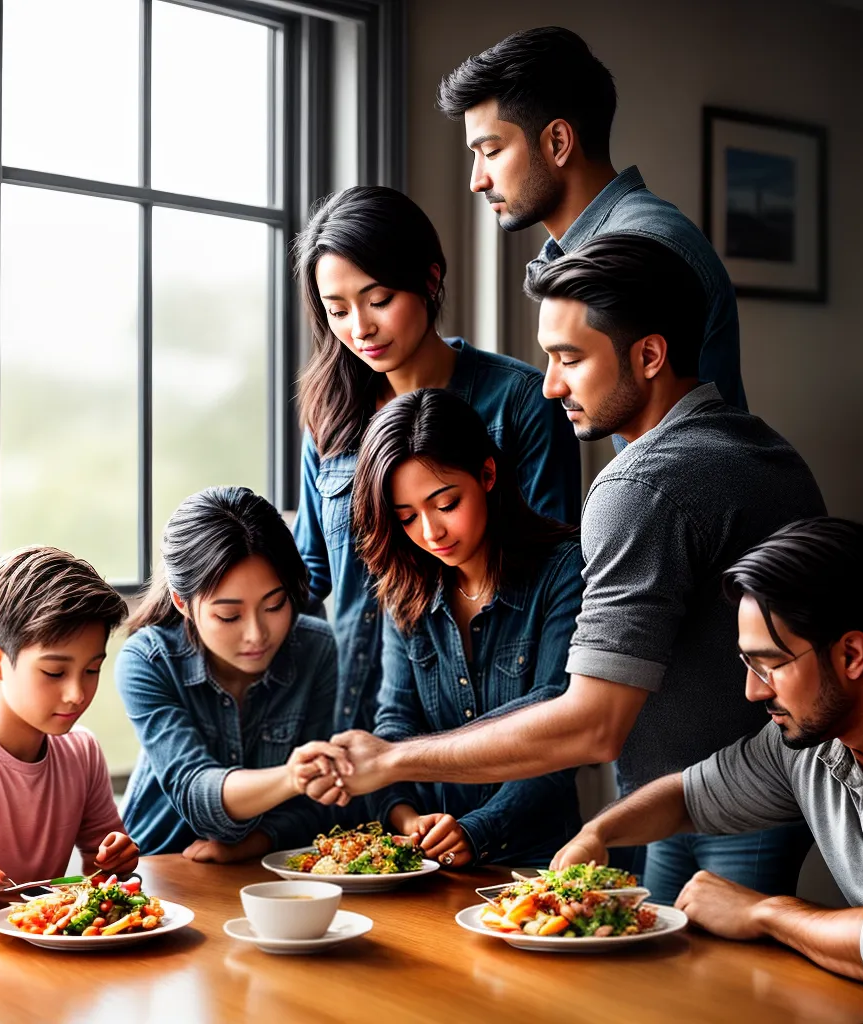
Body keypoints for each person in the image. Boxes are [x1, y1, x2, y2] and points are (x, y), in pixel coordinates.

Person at [306, 234, 825, 904]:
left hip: (738, 799)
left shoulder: (638, 486)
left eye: (569, 358)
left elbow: (587, 719)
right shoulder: (760, 444)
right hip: (687, 797)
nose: (550, 386)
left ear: (649, 354)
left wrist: (392, 760)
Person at [552, 518, 863, 1016]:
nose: (754, 690)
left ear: (851, 654)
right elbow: (687, 798)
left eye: (770, 664)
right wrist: (599, 833)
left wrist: (766, 911)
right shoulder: (803, 746)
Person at [292, 185, 581, 736]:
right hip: (355, 722)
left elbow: (553, 572)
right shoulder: (331, 419)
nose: (360, 328)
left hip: (489, 716)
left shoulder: (520, 401)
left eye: (378, 300)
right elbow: (311, 576)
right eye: (337, 310)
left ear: (429, 279)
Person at [437, 25, 746, 412]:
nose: (477, 181)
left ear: (558, 142)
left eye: (492, 151)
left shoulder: (646, 246)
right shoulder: (584, 251)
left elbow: (679, 445)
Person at [353, 388, 583, 867]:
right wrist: (406, 818)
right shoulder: (404, 588)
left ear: (487, 474)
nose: (430, 532)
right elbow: (395, 722)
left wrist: (477, 830)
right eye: (407, 517)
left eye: (446, 503)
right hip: (428, 863)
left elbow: (560, 730)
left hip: (538, 863)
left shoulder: (564, 571)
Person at [117, 486, 337, 862]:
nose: (256, 634)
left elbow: (328, 803)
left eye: (275, 605)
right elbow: (196, 790)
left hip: (275, 870)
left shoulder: (317, 649)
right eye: (229, 616)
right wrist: (292, 777)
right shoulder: (148, 660)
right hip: (159, 871)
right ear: (182, 602)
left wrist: (259, 842)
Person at [0, 547, 138, 911]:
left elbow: (99, 873)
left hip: (47, 954)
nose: (77, 694)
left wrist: (115, 862)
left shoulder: (82, 751)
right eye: (54, 673)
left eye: (92, 670)